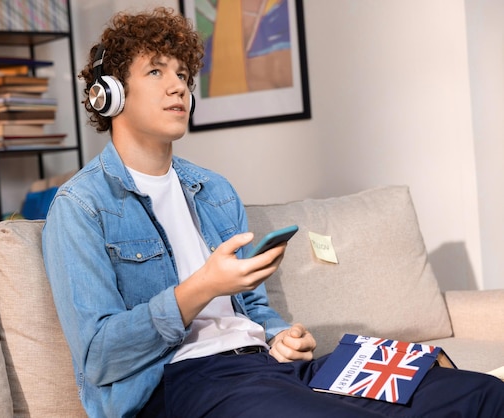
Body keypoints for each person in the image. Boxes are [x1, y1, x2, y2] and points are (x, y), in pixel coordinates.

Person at [42, 7, 504, 418]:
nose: (178, 87)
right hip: (185, 384)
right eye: (157, 72)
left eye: (183, 75)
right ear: (111, 94)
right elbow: (99, 356)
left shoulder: (214, 190)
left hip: (267, 367)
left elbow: (256, 309)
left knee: (478, 392)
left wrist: (281, 337)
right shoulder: (82, 207)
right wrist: (203, 287)